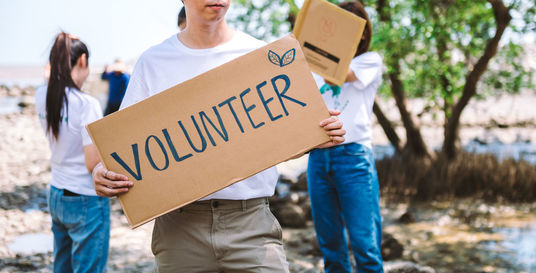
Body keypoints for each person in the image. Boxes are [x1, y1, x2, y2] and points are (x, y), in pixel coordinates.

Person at [90, 0, 346, 272]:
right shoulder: (153, 62)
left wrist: (314, 136)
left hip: (252, 223)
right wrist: (101, 172)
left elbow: (275, 142)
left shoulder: (259, 53)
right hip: (179, 231)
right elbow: (123, 149)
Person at [307, 2, 385, 272]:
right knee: (330, 248)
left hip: (353, 158)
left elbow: (340, 74)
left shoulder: (369, 61)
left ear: (362, 33)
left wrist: (308, 45)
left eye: (347, 27)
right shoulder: (314, 68)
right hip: (317, 157)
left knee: (366, 247)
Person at [35, 32, 110, 273]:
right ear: (82, 61)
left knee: (62, 267)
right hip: (85, 197)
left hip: (57, 192)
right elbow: (92, 164)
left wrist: (62, 44)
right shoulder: (87, 104)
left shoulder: (42, 95)